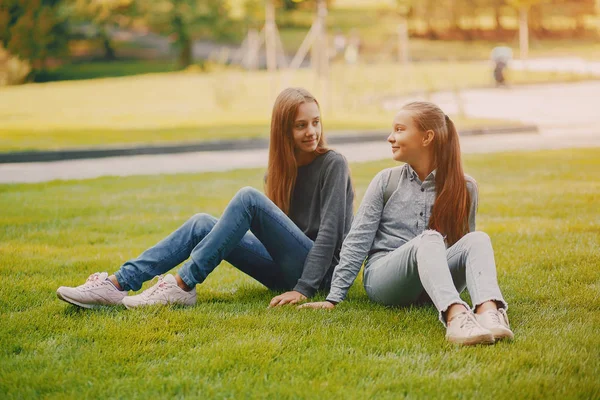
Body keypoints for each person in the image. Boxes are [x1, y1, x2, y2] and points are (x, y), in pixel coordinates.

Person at [57, 87, 354, 309]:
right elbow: (277, 240)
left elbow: (329, 238)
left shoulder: (333, 164)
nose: (311, 131)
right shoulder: (276, 174)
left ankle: (182, 284)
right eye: (301, 125)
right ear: (283, 130)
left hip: (321, 276)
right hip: (284, 271)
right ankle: (117, 283)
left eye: (315, 122)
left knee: (248, 198)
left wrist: (303, 289)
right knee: (201, 223)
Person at [300, 101, 514, 346]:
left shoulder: (465, 187)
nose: (391, 137)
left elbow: (464, 249)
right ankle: (456, 318)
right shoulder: (385, 181)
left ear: (427, 137)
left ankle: (489, 313)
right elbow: (357, 240)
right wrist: (333, 297)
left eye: (400, 130)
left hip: (431, 280)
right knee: (430, 238)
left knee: (478, 239)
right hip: (385, 279)